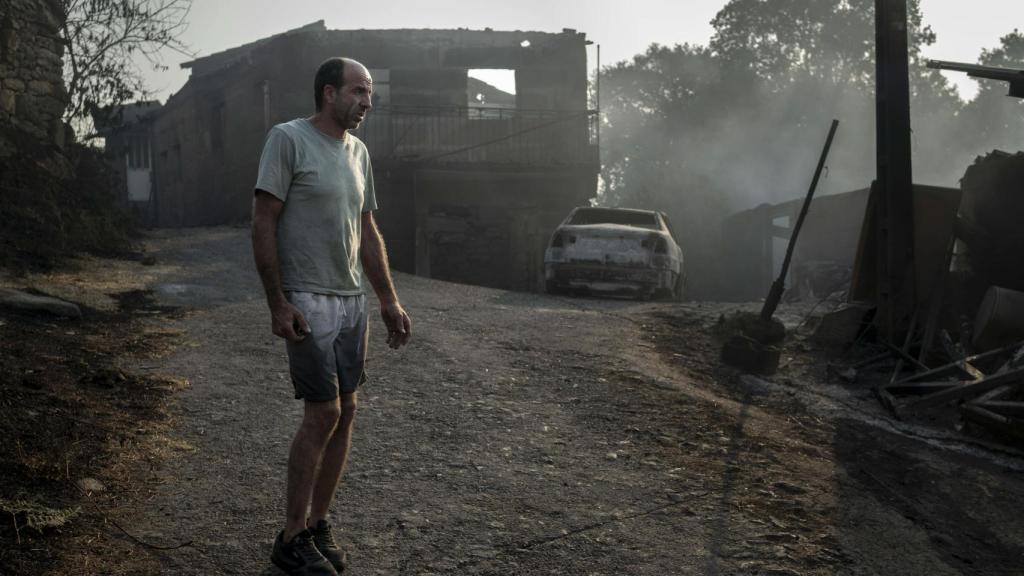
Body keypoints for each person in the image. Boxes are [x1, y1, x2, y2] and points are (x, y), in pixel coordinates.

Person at [252, 57, 412, 576]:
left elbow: (366, 231)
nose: (368, 101)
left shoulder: (359, 153)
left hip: (350, 301)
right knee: (321, 414)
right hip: (308, 297)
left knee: (346, 409)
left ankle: (317, 526)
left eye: (370, 94)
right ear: (328, 93)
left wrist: (387, 298)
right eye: (359, 91)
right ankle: (291, 536)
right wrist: (278, 301)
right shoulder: (288, 139)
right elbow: (263, 219)